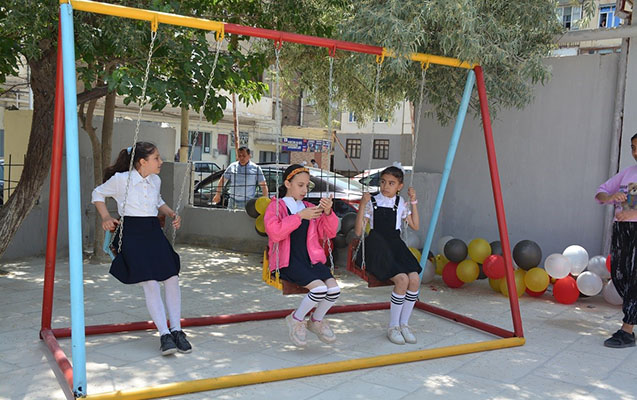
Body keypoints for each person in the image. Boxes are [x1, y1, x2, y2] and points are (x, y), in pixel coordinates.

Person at [92, 141, 192, 356]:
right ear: (142, 162)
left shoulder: (155, 180)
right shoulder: (122, 179)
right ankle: (164, 334)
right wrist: (106, 217)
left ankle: (177, 330)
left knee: (172, 277)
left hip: (153, 231)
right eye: (156, 158)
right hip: (132, 232)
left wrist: (171, 213)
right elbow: (97, 194)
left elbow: (158, 202)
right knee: (150, 282)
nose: (161, 162)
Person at [264, 164, 340, 346]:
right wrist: (299, 217)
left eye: (307, 185)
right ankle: (296, 319)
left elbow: (330, 232)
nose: (305, 190)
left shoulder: (310, 207)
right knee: (319, 289)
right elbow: (275, 233)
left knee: (334, 290)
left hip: (310, 259)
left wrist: (328, 212)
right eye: (300, 185)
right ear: (287, 184)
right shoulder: (276, 207)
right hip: (288, 260)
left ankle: (316, 321)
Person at [354, 165, 421, 345]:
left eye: (391, 183)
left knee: (414, 279)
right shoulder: (372, 201)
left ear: (400, 186)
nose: (385, 186)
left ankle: (404, 324)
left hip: (395, 245)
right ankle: (393, 326)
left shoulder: (400, 203)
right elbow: (359, 231)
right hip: (377, 246)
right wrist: (362, 205)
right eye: (383, 182)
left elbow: (415, 225)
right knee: (402, 280)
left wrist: (413, 202)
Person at [595, 132, 637, 348]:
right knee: (620, 275)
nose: (636, 152)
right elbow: (601, 192)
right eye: (633, 148)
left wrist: (633, 213)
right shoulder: (628, 173)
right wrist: (610, 197)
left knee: (635, 279)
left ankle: (627, 330)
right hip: (622, 231)